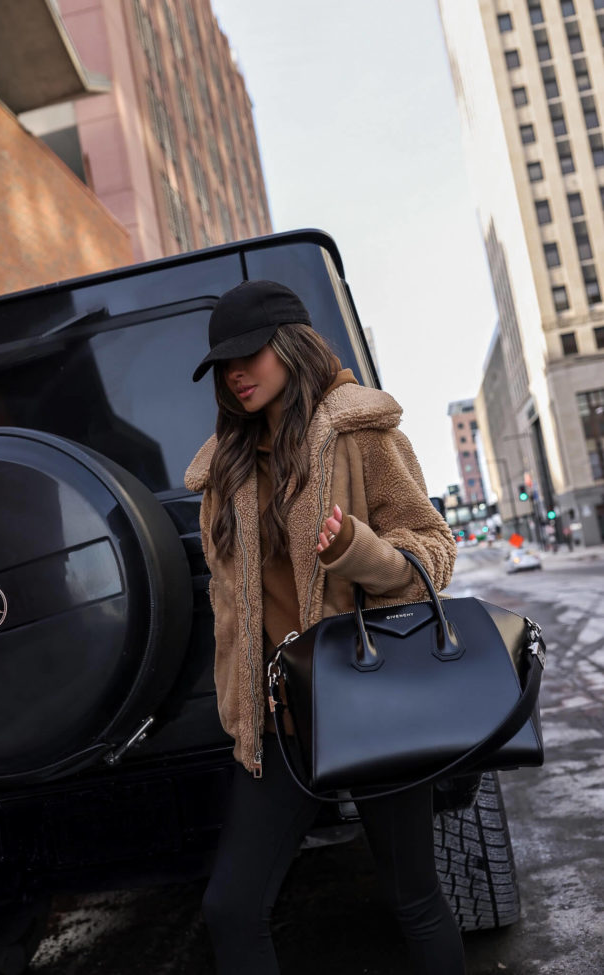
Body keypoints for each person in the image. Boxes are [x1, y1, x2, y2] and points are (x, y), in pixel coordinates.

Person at [185, 280, 464, 975]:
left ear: (290, 344)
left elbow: (435, 547)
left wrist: (359, 551)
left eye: (247, 354)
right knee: (231, 904)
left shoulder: (358, 431)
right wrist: (237, 708)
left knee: (413, 896)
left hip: (372, 697)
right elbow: (231, 607)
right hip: (278, 720)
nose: (235, 374)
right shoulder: (225, 467)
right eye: (222, 365)